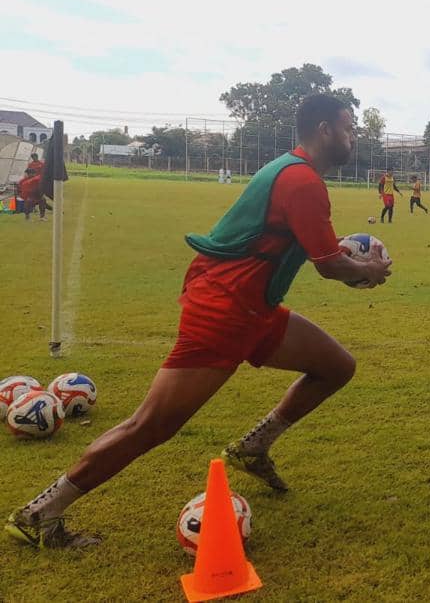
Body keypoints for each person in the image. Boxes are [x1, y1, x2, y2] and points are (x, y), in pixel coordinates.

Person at [5, 94, 392, 549]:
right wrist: (368, 270)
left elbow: (302, 244)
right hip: (225, 311)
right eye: (349, 127)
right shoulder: (302, 181)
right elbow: (327, 264)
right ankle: (39, 513)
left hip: (254, 309)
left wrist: (342, 254)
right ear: (325, 129)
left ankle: (253, 447)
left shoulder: (291, 171)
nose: (353, 137)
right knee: (151, 425)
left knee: (336, 366)